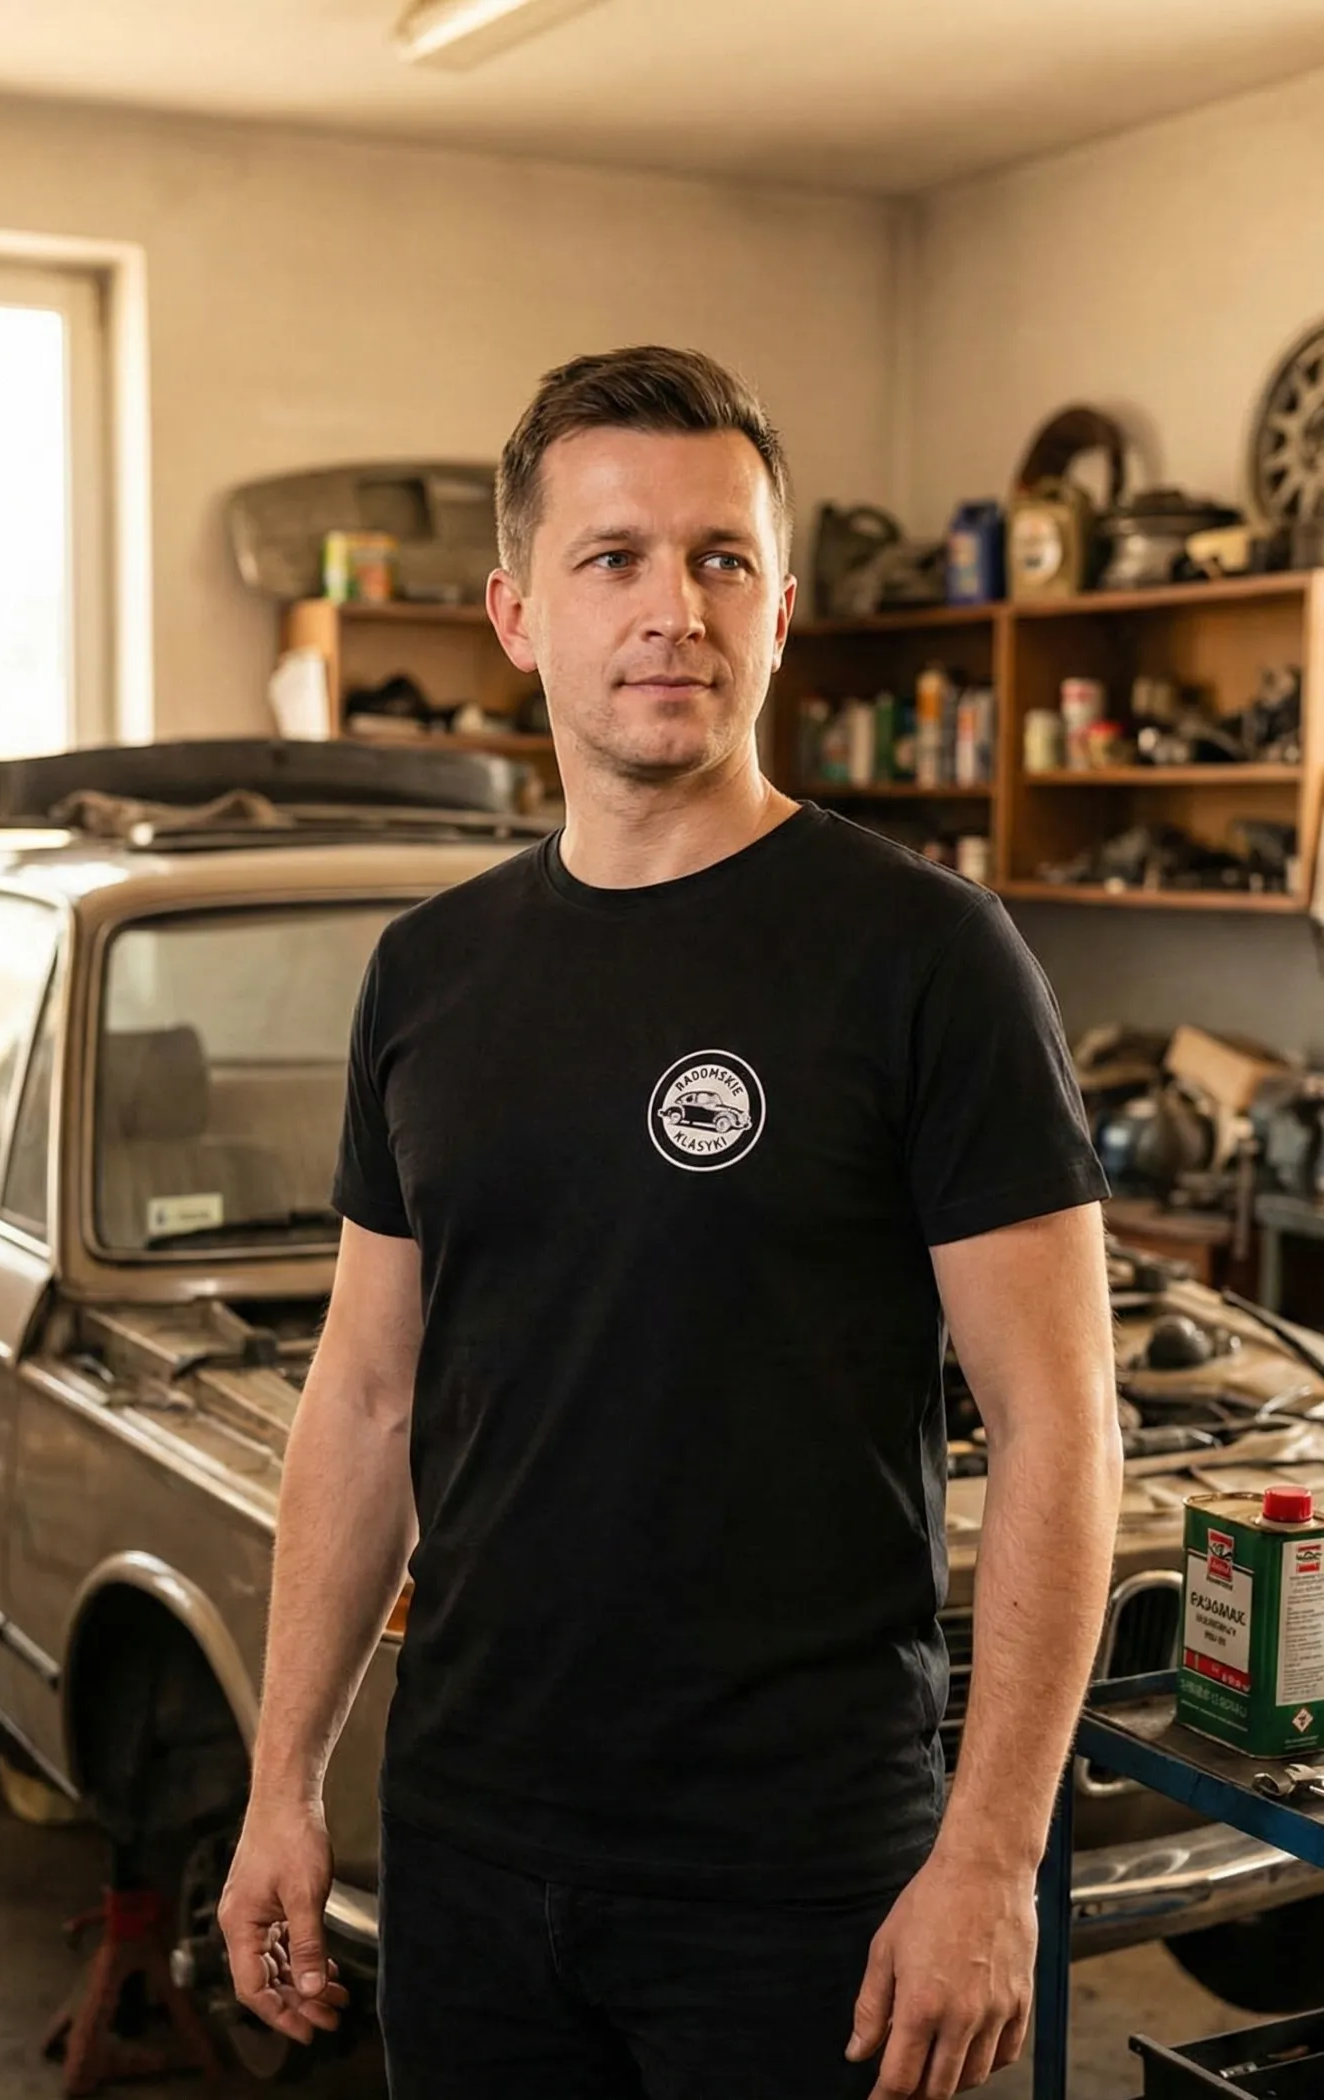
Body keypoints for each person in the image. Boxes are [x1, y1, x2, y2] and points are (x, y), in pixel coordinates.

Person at [218, 344, 1123, 2100]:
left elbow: (1058, 1424)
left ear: (780, 609)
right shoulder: (428, 972)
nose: (674, 610)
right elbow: (369, 1397)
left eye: (721, 559)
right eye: (613, 557)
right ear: (516, 613)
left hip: (801, 1878)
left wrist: (991, 1859)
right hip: (471, 1843)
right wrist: (283, 1782)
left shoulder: (926, 957)